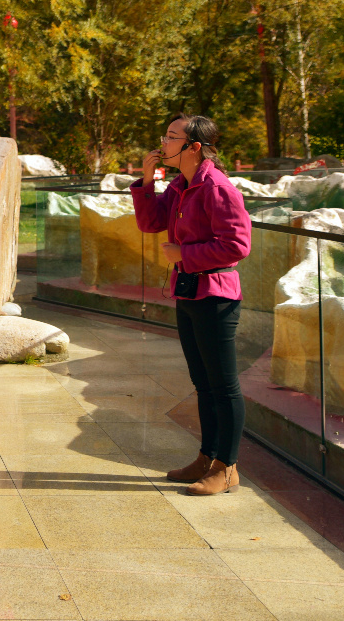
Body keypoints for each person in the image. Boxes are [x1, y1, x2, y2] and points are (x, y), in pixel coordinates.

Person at [131, 114, 252, 496]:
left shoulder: (217, 187)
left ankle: (226, 467)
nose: (163, 143)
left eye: (171, 137)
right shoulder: (183, 185)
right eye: (165, 136)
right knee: (203, 384)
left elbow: (237, 246)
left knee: (224, 386)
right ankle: (206, 457)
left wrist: (184, 252)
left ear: (194, 147)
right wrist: (148, 181)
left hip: (216, 294)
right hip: (188, 291)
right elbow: (151, 223)